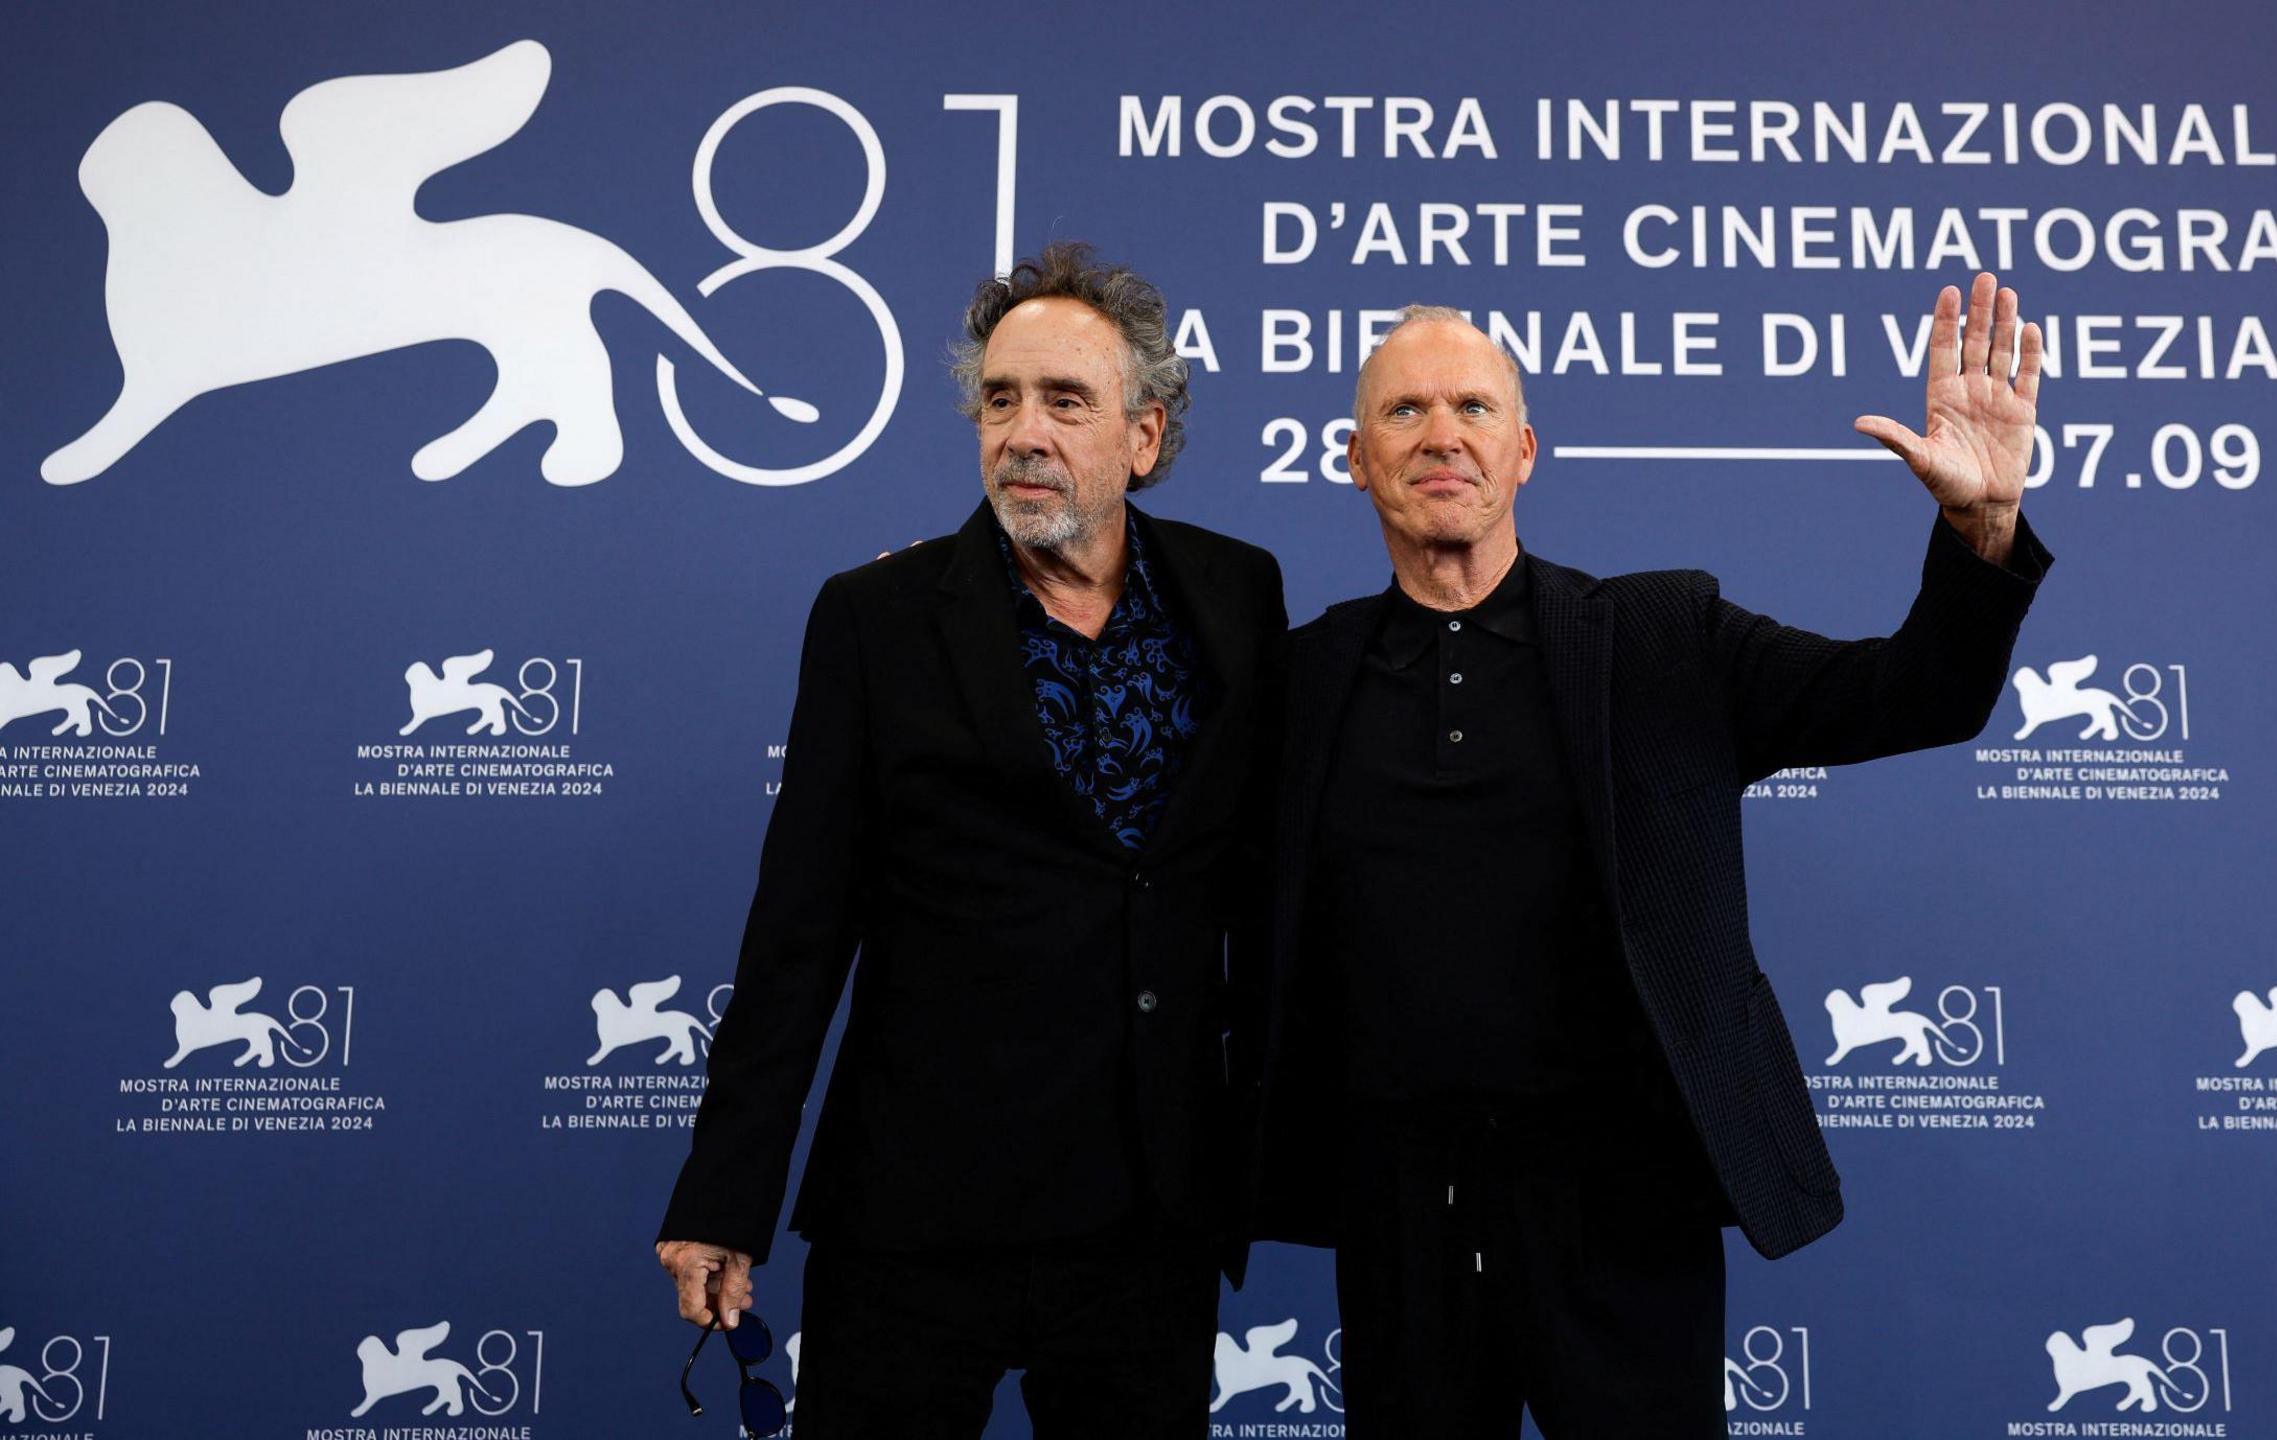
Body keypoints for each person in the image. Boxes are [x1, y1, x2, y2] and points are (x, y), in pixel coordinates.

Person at [1245, 272, 2055, 1437]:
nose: (1441, 436)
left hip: (1625, 1205)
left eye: (1472, 409)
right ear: (1354, 458)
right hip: (1402, 1211)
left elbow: (1913, 696)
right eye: (1403, 412)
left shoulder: (1661, 638)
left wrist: (1979, 530)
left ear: (1523, 452)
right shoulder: (1300, 678)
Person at [656, 241, 1287, 1437]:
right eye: (999, 399)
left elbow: (1264, 887)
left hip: (1149, 1217)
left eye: (1065, 401)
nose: (1022, 433)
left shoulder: (1236, 595)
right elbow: (798, 929)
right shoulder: (875, 619)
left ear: (1143, 437)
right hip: (917, 1209)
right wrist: (725, 1193)